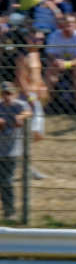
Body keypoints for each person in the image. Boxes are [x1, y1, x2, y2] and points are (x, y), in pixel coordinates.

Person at [44, 14, 76, 106]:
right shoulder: (54, 35)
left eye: (72, 23)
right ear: (61, 24)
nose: (69, 25)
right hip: (58, 62)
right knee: (50, 69)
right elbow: (50, 54)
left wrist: (67, 64)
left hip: (74, 63)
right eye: (67, 23)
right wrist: (57, 61)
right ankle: (50, 101)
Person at [0, 82, 29, 221]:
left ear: (15, 94)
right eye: (4, 93)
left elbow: (28, 111)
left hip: (11, 151)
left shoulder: (19, 105)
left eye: (10, 93)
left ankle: (9, 212)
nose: (7, 96)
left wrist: (20, 117)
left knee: (6, 181)